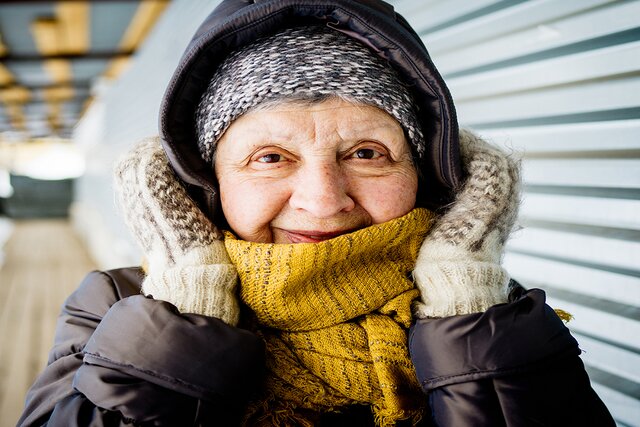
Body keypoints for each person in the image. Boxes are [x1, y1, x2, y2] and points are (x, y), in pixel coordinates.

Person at [18, 0, 615, 426]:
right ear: (209, 182)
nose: (323, 199)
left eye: (365, 153)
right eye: (270, 157)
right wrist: (188, 314)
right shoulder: (118, 308)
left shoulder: (490, 313)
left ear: (425, 172)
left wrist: (466, 314)